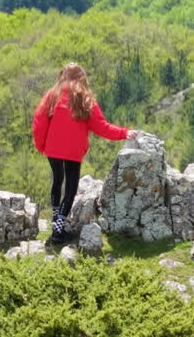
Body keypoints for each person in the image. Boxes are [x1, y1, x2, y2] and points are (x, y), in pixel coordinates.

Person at [32, 62, 137, 244]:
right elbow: (102, 127)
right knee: (71, 187)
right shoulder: (84, 98)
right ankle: (58, 228)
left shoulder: (52, 95)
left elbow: (39, 123)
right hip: (73, 151)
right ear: (81, 77)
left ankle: (55, 222)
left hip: (53, 148)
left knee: (57, 180)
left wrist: (42, 145)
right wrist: (124, 133)